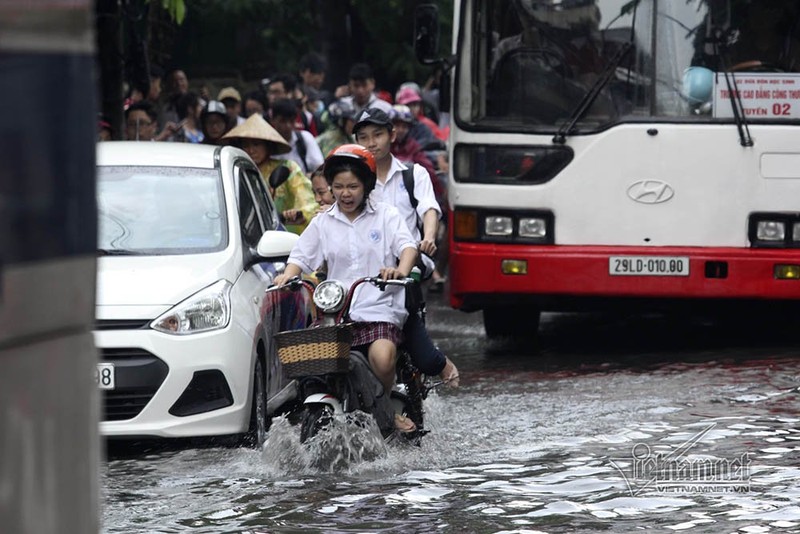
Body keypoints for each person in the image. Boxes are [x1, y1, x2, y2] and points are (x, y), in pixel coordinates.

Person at [272, 145, 419, 431]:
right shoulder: (323, 222)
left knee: (383, 357)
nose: (345, 193)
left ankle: (386, 408)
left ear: (366, 186)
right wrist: (287, 276)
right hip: (336, 314)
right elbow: (301, 256)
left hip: (379, 307)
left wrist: (399, 270)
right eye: (338, 186)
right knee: (314, 363)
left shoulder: (386, 215)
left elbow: (408, 247)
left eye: (352, 186)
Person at [353, 108, 459, 386]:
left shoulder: (414, 174)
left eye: (377, 135)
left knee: (407, 306)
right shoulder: (355, 182)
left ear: (392, 135)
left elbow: (429, 209)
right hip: (368, 264)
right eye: (363, 137)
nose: (371, 142)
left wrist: (429, 238)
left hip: (410, 259)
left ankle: (433, 360)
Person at [221, 113, 317, 234]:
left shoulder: (288, 168)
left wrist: (299, 213)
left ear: (267, 145)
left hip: (287, 237)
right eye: (245, 145)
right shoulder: (236, 171)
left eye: (256, 144)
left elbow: (307, 200)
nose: (251, 150)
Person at [270, 98, 324, 175]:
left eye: (291, 121)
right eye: (283, 121)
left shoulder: (305, 138)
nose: (288, 126)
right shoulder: (267, 144)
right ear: (273, 120)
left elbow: (319, 168)